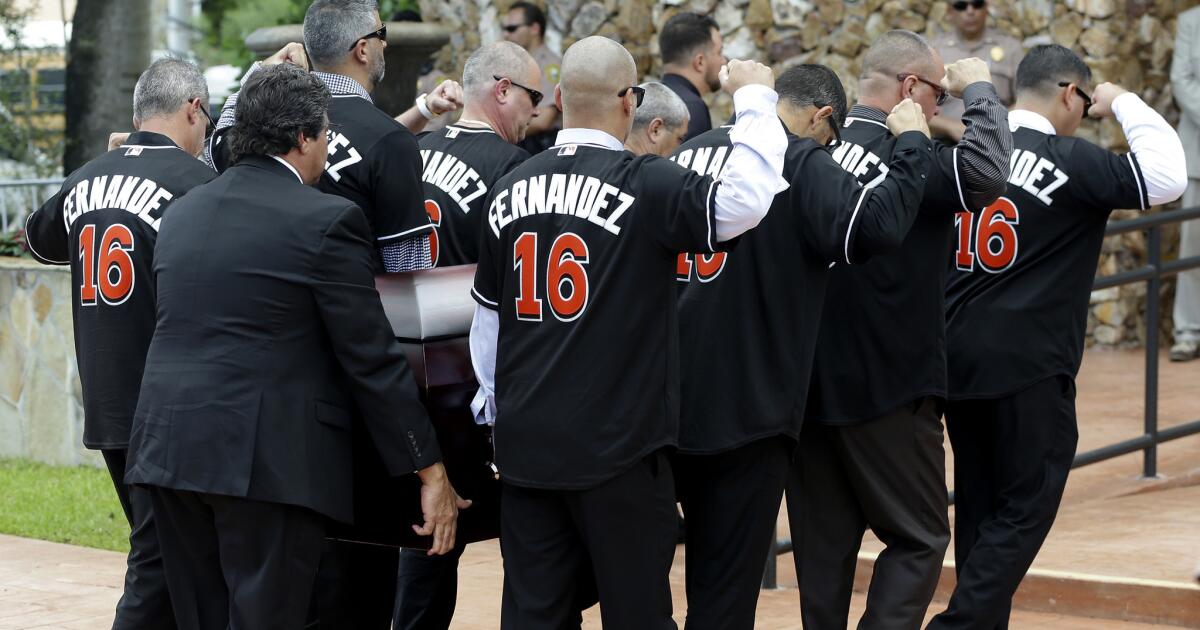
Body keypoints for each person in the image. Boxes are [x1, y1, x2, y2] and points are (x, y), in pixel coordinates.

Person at [124, 63, 468, 630]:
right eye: (327, 136)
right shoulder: (328, 220)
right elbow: (373, 359)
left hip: (167, 449)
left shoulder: (183, 213)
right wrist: (430, 470)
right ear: (304, 138)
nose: (328, 151)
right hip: (265, 462)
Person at [470, 37, 787, 629]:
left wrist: (496, 417)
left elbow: (488, 321)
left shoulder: (508, 188)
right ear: (629, 101)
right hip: (619, 449)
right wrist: (754, 99)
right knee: (637, 614)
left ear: (558, 98)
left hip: (527, 447)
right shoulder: (645, 182)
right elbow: (745, 198)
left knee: (535, 614)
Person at [669, 64, 935, 630]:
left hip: (664, 399)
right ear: (822, 117)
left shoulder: (692, 150)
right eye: (831, 136)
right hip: (748, 407)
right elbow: (879, 224)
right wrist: (913, 142)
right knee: (723, 592)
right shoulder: (804, 159)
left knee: (647, 585)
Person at [929, 44, 1186, 629]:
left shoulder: (969, 151)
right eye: (1086, 98)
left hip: (957, 355)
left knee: (980, 506)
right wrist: (1121, 101)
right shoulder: (1072, 159)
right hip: (1029, 364)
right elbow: (1168, 176)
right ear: (1073, 94)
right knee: (1025, 506)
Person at [787, 30, 1012, 630]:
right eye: (938, 93)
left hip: (807, 387)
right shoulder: (918, 159)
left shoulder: (814, 154)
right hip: (889, 385)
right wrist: (982, 91)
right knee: (918, 540)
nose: (942, 106)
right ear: (911, 88)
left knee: (821, 556)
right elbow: (991, 171)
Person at [23, 57, 215, 630]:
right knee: (159, 558)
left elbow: (38, 239)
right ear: (192, 110)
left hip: (108, 400)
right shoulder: (198, 184)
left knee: (174, 552)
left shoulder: (86, 177)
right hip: (170, 403)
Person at [391, 41, 538, 630]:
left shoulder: (413, 151)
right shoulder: (512, 167)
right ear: (502, 90)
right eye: (532, 96)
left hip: (402, 370)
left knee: (428, 541)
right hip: (473, 379)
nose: (537, 110)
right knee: (529, 536)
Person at [205, 0, 453, 275]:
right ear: (361, 50)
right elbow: (408, 272)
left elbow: (217, 149)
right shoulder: (389, 141)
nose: (384, 44)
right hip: (353, 303)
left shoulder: (270, 119)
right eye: (381, 34)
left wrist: (260, 72)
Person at [930, 0, 1022, 142]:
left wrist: (996, 124)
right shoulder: (934, 50)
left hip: (997, 141)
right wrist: (950, 127)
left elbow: (1025, 101)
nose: (970, 11)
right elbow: (916, 105)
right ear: (949, 11)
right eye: (961, 6)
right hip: (944, 144)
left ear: (986, 8)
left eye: (977, 4)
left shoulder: (1011, 49)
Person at [1170, 4, 1200, 362]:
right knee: (1192, 249)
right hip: (1197, 155)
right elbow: (1182, 80)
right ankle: (1188, 331)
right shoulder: (1189, 22)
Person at [501, 1, 561, 154]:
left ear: (534, 28)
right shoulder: (514, 63)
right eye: (505, 29)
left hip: (540, 146)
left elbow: (543, 121)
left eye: (512, 28)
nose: (506, 34)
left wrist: (497, 131)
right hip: (519, 142)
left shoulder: (551, 66)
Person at [659, 12, 726, 142]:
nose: (724, 61)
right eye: (719, 52)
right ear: (699, 62)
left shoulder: (647, 102)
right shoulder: (691, 109)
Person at [625, 81, 691, 157]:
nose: (680, 149)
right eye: (680, 139)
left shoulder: (609, 157)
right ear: (655, 129)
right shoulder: (648, 168)